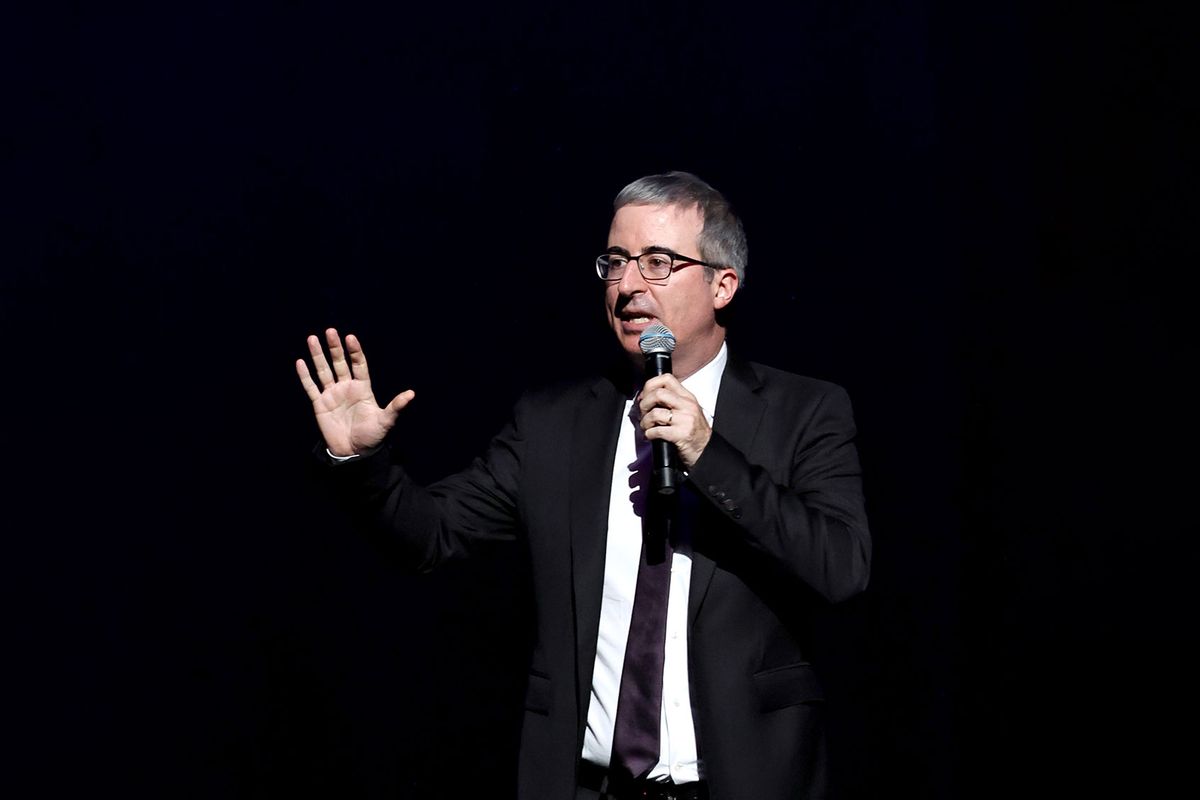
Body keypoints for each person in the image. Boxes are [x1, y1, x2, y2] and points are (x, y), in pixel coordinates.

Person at [296, 171, 871, 800]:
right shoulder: (555, 423)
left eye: (658, 262)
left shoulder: (804, 411)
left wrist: (708, 453)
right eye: (616, 262)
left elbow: (840, 568)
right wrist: (360, 463)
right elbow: (431, 535)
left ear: (722, 284)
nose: (627, 287)